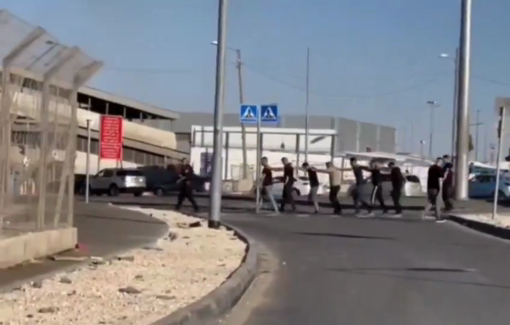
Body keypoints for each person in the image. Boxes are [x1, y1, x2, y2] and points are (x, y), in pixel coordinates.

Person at [423, 157, 446, 223]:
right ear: (440, 162)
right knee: (438, 203)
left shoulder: (431, 168)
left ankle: (423, 214)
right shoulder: (439, 169)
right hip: (436, 187)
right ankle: (438, 217)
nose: (442, 164)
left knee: (431, 202)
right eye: (441, 162)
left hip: (429, 187)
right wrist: (441, 188)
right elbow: (440, 179)